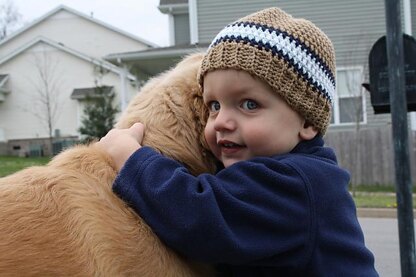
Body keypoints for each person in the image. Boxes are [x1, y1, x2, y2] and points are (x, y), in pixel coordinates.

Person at [97, 7, 378, 276]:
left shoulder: (298, 184)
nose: (220, 121)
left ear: (307, 122)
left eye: (248, 104)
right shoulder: (271, 173)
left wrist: (132, 159)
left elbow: (198, 216)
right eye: (214, 105)